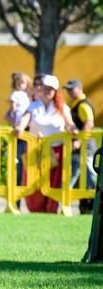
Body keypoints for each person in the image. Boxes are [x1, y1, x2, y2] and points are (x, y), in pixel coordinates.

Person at [15, 74, 77, 213]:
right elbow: (25, 120)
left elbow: (69, 123)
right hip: (35, 150)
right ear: (41, 88)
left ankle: (51, 208)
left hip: (56, 151)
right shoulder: (34, 106)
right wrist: (19, 128)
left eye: (51, 89)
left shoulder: (61, 107)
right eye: (45, 88)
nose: (48, 91)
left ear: (55, 91)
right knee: (33, 181)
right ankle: (35, 209)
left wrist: (73, 130)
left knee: (53, 182)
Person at [64, 79, 96, 214]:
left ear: (79, 88)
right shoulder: (76, 104)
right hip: (81, 146)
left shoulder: (83, 105)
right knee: (76, 174)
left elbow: (89, 124)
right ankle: (68, 203)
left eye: (71, 89)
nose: (69, 92)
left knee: (90, 175)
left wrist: (79, 141)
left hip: (85, 146)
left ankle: (92, 203)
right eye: (68, 89)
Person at [4, 72, 32, 208]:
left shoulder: (28, 97)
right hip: (18, 131)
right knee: (18, 168)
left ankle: (22, 199)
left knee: (25, 169)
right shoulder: (15, 95)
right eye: (19, 83)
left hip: (27, 132)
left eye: (23, 83)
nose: (21, 86)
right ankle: (15, 201)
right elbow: (12, 111)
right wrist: (15, 121)